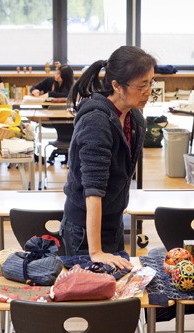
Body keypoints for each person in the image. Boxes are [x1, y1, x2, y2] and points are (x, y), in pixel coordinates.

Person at [61, 46, 157, 269]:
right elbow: (93, 190)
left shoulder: (135, 119)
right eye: (142, 85)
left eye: (152, 82)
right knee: (92, 297)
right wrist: (96, 251)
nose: (148, 91)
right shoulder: (96, 122)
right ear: (116, 86)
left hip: (112, 222)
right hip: (85, 231)